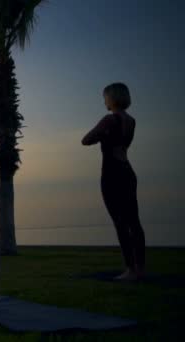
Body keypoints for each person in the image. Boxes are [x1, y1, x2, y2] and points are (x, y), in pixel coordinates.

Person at [82, 83, 145, 281]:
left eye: (105, 98)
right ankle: (140, 268)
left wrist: (101, 134)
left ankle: (130, 269)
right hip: (127, 171)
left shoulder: (109, 120)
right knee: (134, 222)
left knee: (120, 223)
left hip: (112, 173)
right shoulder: (131, 121)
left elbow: (86, 139)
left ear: (112, 98)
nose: (104, 101)